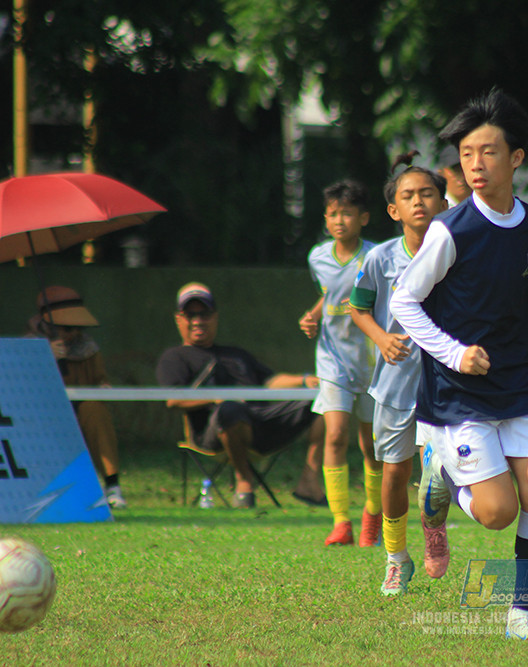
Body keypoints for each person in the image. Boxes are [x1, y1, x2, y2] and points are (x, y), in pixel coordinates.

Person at [390, 89, 528, 643]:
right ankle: (441, 474)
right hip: (457, 391)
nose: (475, 164)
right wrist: (454, 352)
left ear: (515, 158)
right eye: (467, 154)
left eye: (487, 152)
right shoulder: (452, 229)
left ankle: (521, 615)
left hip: (520, 381)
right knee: (497, 512)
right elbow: (402, 301)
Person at [349, 157, 453, 595]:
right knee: (394, 473)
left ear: (443, 201)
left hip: (446, 380)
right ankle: (396, 559)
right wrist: (380, 337)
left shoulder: (457, 250)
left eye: (426, 193)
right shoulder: (378, 258)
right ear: (394, 210)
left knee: (440, 471)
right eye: (407, 196)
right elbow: (357, 307)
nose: (418, 202)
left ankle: (434, 530)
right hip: (394, 384)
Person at [156, 282, 326, 508]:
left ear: (215, 317)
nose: (198, 320)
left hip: (261, 422)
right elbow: (173, 400)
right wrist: (217, 399)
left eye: (204, 314)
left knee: (324, 400)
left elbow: (269, 382)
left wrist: (304, 380)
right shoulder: (174, 357)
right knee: (229, 409)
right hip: (213, 431)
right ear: (179, 319)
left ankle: (309, 480)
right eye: (190, 314)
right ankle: (243, 480)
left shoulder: (236, 354)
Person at [299, 180, 381, 547]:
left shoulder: (378, 256)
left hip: (373, 362)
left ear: (363, 218)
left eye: (347, 213)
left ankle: (372, 515)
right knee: (334, 434)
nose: (339, 220)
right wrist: (313, 314)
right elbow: (328, 294)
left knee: (373, 446)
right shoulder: (317, 256)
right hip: (332, 360)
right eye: (333, 214)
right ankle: (340, 521)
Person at [27, 286, 127, 509]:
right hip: (43, 413)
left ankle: (112, 485)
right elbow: (21, 384)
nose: (72, 333)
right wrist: (43, 356)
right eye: (65, 327)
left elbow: (99, 378)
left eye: (76, 328)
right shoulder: (29, 345)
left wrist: (103, 385)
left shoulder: (88, 348)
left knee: (95, 409)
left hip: (81, 412)